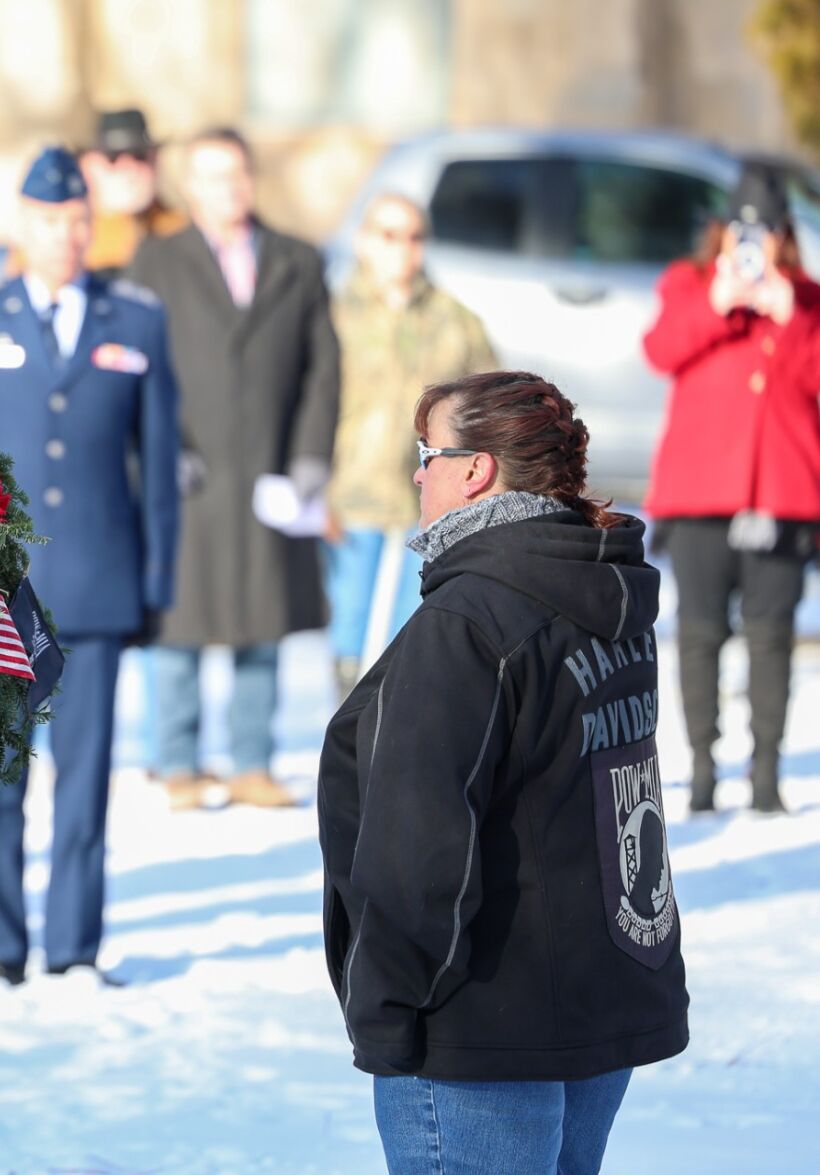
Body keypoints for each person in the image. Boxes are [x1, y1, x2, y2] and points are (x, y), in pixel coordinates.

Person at [319, 371, 688, 1175]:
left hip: (479, 1035)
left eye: (428, 454)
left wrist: (388, 1013)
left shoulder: (470, 621)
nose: (418, 474)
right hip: (592, 1006)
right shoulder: (602, 589)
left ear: (476, 469)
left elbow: (419, 847)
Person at [0, 146, 180, 986]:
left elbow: (159, 467)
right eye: (47, 221)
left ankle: (74, 945)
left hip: (102, 584)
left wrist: (156, 584)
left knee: (86, 786)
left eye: (78, 221)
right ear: (20, 226)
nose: (65, 236)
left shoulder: (137, 319)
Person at [127, 126, 340, 810]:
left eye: (239, 174)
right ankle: (179, 762)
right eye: (214, 177)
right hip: (187, 470)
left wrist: (309, 456)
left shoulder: (297, 260)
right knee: (181, 618)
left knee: (262, 614)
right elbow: (133, 366)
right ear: (190, 188)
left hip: (269, 471)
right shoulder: (155, 262)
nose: (230, 189)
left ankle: (252, 761)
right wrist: (160, 448)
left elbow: (323, 368)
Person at [642, 164, 820, 815]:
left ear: (783, 238)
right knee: (700, 631)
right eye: (742, 229)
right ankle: (703, 769)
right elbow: (660, 350)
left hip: (782, 493)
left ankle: (766, 772)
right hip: (700, 495)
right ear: (720, 233)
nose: (753, 244)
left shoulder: (806, 298)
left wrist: (789, 313)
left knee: (771, 633)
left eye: (767, 231)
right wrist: (718, 305)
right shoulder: (688, 284)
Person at [326, 193, 495, 699]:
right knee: (348, 618)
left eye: (415, 236)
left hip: (432, 496)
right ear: (363, 241)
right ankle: (349, 711)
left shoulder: (455, 319)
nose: (402, 248)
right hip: (351, 488)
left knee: (417, 617)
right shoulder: (334, 315)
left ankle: (399, 708)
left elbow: (489, 401)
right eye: (389, 235)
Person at [76, 108, 188, 275]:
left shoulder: (182, 231)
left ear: (155, 160)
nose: (129, 167)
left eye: (139, 155)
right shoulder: (67, 239)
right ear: (87, 165)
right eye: (112, 157)